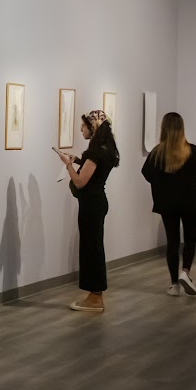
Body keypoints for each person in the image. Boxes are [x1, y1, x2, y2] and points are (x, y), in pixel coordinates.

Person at [57, 109, 119, 314]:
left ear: (92, 127)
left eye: (83, 125)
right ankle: (95, 295)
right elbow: (93, 172)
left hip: (91, 205)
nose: (80, 129)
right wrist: (77, 161)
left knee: (91, 250)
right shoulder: (106, 149)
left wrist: (68, 166)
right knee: (94, 248)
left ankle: (95, 298)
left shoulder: (95, 152)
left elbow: (81, 181)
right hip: (97, 202)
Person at [141, 112, 196, 298]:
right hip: (191, 202)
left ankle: (173, 284)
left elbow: (146, 174)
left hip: (167, 203)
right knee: (190, 240)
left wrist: (163, 184)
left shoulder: (157, 153)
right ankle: (185, 272)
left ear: (163, 128)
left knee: (172, 241)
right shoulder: (193, 151)